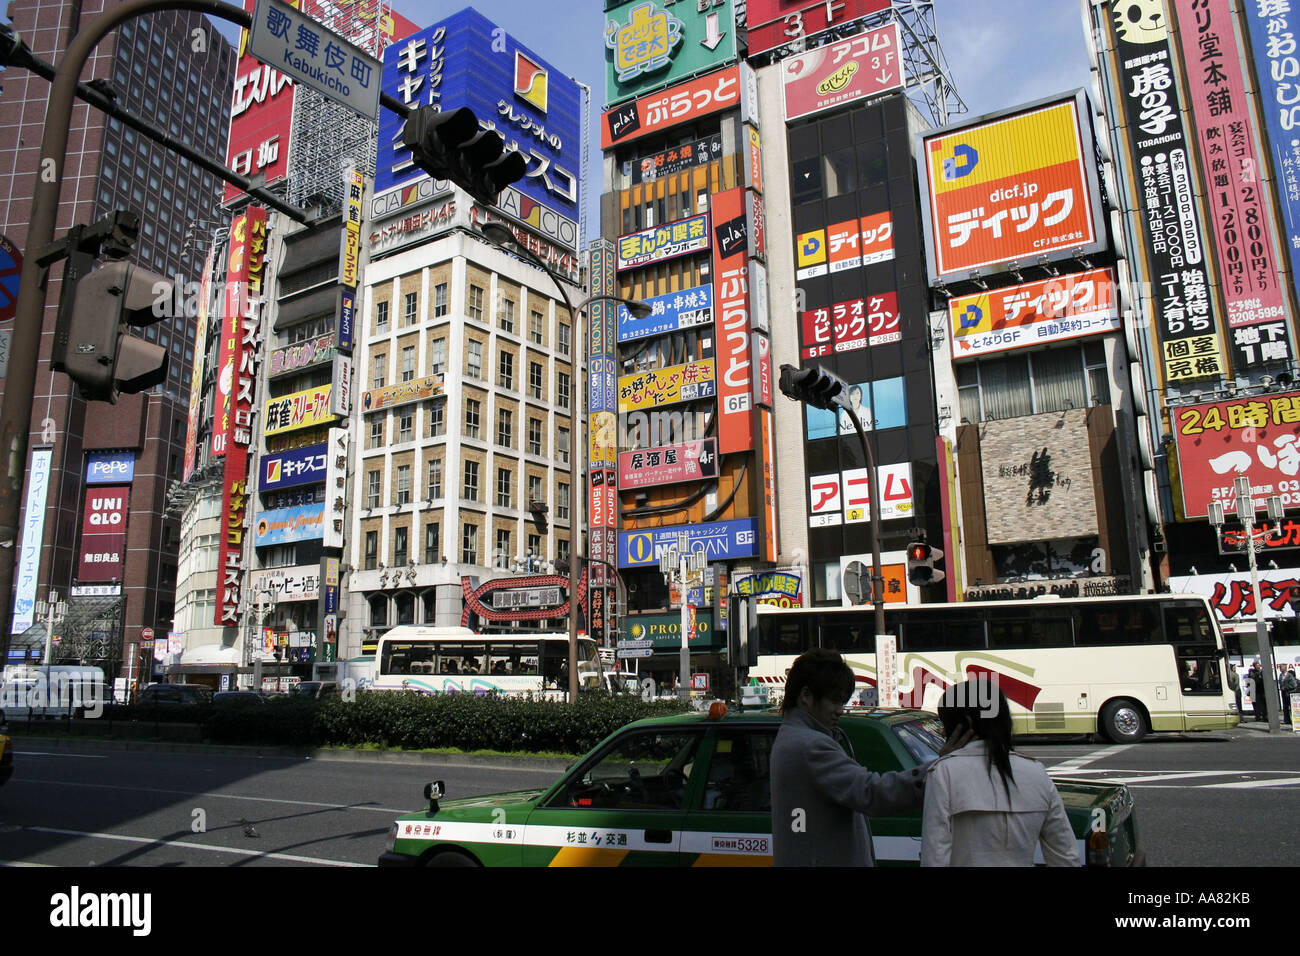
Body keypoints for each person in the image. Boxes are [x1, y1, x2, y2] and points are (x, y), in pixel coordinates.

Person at [771, 648, 971, 866]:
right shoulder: (810, 746)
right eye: (835, 701)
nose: (840, 710)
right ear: (806, 696)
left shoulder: (791, 737)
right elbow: (872, 793)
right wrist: (937, 768)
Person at [921, 677, 1077, 866]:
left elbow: (934, 856)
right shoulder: (1036, 771)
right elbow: (1065, 855)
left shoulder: (944, 773)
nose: (944, 733)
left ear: (964, 724)